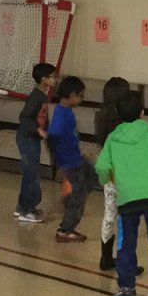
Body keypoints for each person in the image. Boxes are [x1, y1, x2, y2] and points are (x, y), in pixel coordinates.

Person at [96, 89, 148, 296]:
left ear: (118, 114)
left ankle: (126, 288)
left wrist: (109, 178)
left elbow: (101, 166)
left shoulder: (112, 138)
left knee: (126, 243)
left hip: (127, 197)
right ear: (142, 111)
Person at [94, 76, 141, 275]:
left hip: (110, 173)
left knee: (109, 214)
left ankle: (105, 256)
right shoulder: (125, 123)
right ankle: (126, 260)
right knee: (127, 217)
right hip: (125, 173)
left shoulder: (100, 116)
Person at [47, 75, 98, 242]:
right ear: (71, 95)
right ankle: (65, 230)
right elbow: (53, 137)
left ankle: (70, 195)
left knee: (92, 175)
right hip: (70, 162)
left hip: (76, 159)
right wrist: (60, 164)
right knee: (78, 198)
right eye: (80, 95)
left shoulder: (66, 112)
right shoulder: (62, 115)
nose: (82, 99)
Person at [14, 62, 56, 223]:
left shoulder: (42, 96)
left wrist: (47, 132)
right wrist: (37, 130)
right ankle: (26, 209)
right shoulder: (36, 97)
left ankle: (22, 207)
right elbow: (24, 117)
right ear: (44, 79)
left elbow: (44, 118)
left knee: (30, 173)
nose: (55, 80)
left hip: (32, 139)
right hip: (27, 138)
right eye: (53, 77)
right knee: (32, 174)